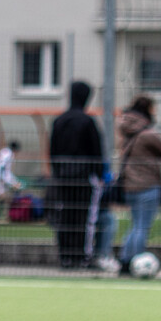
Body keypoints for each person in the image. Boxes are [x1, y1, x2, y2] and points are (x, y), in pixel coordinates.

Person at [49, 81, 105, 269]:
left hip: (63, 177)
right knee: (83, 217)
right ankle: (82, 257)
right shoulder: (88, 122)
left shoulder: (59, 121)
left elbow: (52, 151)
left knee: (65, 216)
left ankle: (65, 256)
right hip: (83, 177)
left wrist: (56, 173)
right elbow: (96, 151)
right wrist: (99, 175)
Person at [116, 95, 161, 276]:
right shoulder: (147, 134)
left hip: (129, 186)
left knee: (135, 225)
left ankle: (125, 260)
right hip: (147, 185)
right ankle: (135, 261)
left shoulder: (127, 131)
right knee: (142, 226)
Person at [0, 140, 23, 217]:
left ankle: (0, 213)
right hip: (3, 175)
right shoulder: (9, 154)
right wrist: (2, 177)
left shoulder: (4, 151)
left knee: (1, 194)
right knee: (17, 187)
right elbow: (2, 165)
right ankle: (14, 210)